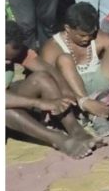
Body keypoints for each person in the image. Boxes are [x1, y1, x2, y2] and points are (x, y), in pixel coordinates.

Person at [6, 21, 103, 159]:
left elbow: (47, 70)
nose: (8, 63)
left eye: (11, 59)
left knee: (42, 78)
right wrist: (40, 103)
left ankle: (76, 130)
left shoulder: (12, 48)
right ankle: (60, 140)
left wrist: (65, 91)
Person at [40, 2, 109, 137]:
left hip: (101, 85)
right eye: (82, 35)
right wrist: (82, 102)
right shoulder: (52, 47)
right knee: (64, 59)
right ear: (67, 28)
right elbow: (48, 84)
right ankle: (91, 114)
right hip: (74, 93)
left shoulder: (98, 37)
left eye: (90, 34)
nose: (87, 39)